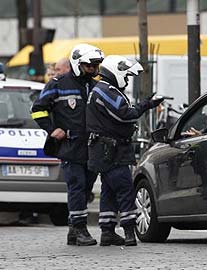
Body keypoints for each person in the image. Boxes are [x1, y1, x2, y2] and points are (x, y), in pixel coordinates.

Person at [30, 43, 105, 246]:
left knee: (86, 188)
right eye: (89, 65)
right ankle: (80, 229)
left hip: (92, 147)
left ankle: (73, 229)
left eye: (96, 65)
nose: (93, 69)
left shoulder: (96, 85)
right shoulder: (58, 83)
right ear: (77, 63)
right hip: (71, 147)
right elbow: (38, 109)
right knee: (77, 186)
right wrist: (51, 129)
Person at [86, 55, 164, 246]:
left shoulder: (105, 89)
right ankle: (129, 232)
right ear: (116, 72)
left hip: (108, 149)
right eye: (126, 76)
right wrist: (147, 105)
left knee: (109, 191)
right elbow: (125, 115)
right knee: (124, 190)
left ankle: (108, 231)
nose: (127, 80)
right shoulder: (105, 90)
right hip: (112, 151)